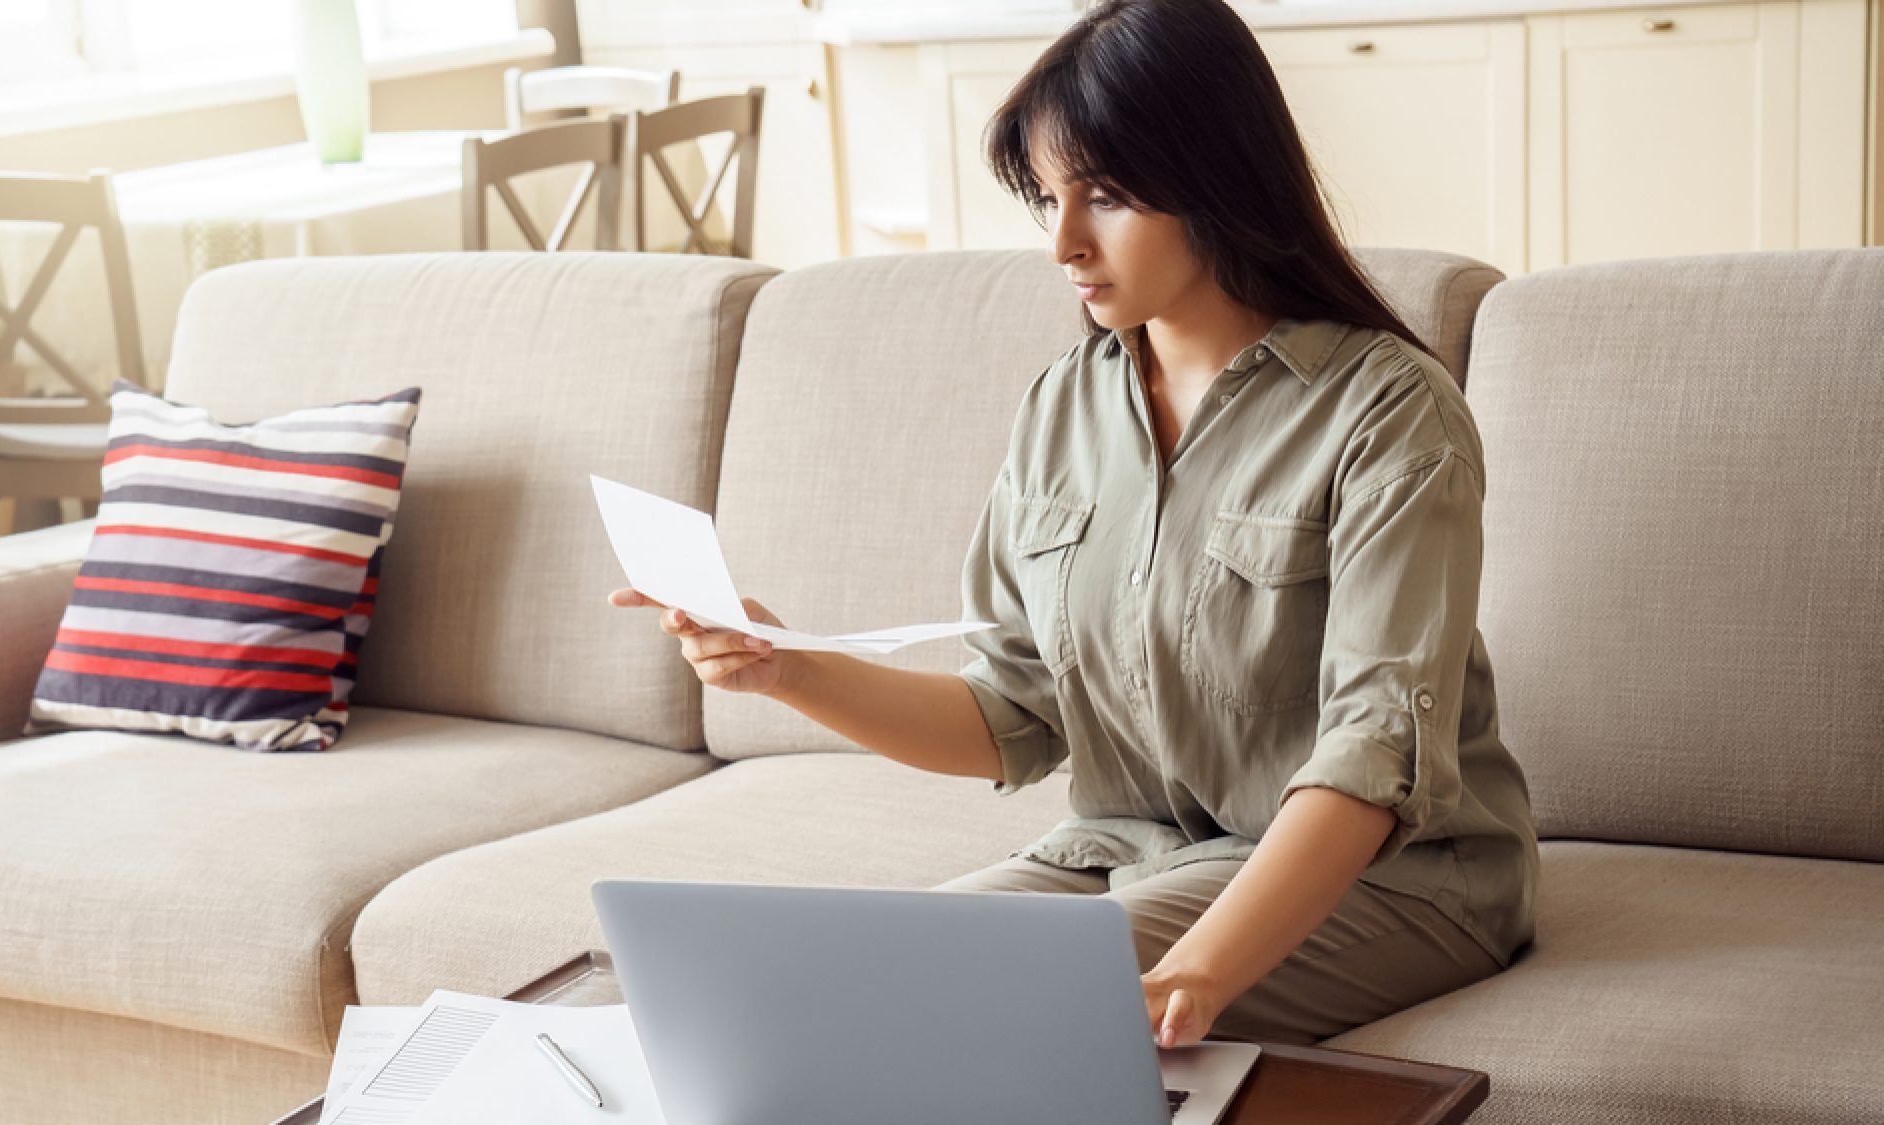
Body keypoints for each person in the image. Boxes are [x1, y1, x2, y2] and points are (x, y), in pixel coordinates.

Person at [611, 0, 1537, 1049]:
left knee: (963, 1011)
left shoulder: (1389, 411)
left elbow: (1373, 754)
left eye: (1103, 195)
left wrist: (1193, 973)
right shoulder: (1066, 404)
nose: (1062, 242)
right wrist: (786, 667)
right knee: (850, 977)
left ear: (1216, 176)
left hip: (1394, 881)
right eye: (1049, 198)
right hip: (1126, 855)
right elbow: (1010, 713)